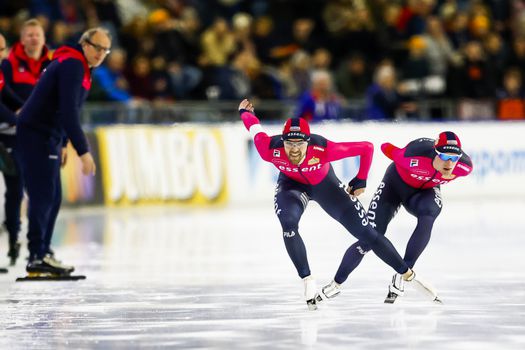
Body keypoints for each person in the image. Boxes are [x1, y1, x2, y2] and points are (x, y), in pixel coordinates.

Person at [238, 98, 437, 309]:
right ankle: (307, 280)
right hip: (291, 187)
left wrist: (361, 179)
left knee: (368, 234)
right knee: (288, 224)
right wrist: (244, 112)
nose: (294, 150)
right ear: (282, 141)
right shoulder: (268, 148)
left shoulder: (322, 149)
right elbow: (254, 127)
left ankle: (407, 275)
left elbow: (366, 148)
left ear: (308, 141)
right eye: (289, 144)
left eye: (299, 144)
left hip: (326, 187)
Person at [326, 131, 473, 303]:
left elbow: (453, 165)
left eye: (454, 157)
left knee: (430, 213)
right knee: (370, 235)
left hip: (423, 194)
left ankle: (402, 274)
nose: (449, 163)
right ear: (435, 151)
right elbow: (385, 147)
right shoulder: (413, 155)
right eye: (444, 156)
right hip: (394, 186)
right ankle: (336, 284)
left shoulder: (464, 167)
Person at [16, 27, 111, 276]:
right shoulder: (73, 65)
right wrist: (83, 150)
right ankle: (37, 255)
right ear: (85, 44)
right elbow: (68, 111)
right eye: (97, 47)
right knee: (43, 195)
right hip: (37, 133)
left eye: (106, 50)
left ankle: (43, 252)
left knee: (53, 196)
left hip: (48, 135)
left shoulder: (81, 67)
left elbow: (65, 110)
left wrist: (63, 142)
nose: (101, 54)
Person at [0, 19, 51, 265]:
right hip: (11, 132)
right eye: (0, 51)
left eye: (37, 34)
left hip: (26, 134)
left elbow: (4, 94)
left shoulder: (49, 63)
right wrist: (16, 117)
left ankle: (15, 240)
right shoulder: (9, 65)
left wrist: (21, 112)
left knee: (17, 188)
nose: (3, 55)